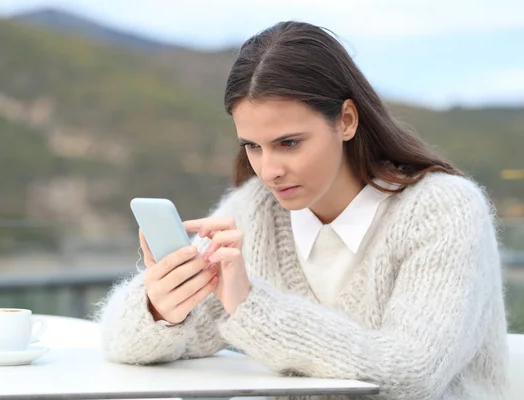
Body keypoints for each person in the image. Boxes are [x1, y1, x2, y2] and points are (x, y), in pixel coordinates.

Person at [97, 21, 509, 399]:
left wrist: (252, 306)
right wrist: (161, 308)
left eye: (289, 143)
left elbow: (413, 375)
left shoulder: (444, 210)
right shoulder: (255, 211)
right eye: (252, 147)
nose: (269, 170)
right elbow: (123, 343)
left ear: (346, 120)